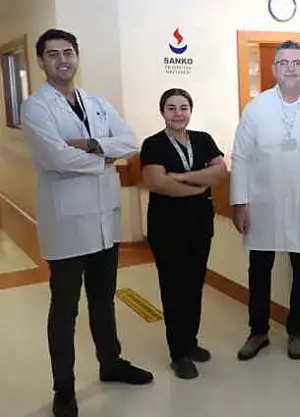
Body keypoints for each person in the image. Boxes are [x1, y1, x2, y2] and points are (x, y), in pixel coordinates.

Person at [22, 29, 153, 417]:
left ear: (77, 57)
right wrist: (105, 159)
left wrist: (93, 145)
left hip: (104, 222)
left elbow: (130, 142)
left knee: (103, 300)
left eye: (68, 52)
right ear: (41, 61)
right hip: (66, 226)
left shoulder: (97, 102)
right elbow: (55, 158)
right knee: (65, 310)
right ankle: (63, 388)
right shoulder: (36, 107)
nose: (62, 60)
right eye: (53, 54)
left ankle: (110, 363)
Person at [230, 40, 300, 361]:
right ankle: (258, 331)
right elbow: (241, 157)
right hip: (263, 203)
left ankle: (296, 332)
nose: (290, 68)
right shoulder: (256, 108)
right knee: (259, 270)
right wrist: (240, 204)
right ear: (274, 69)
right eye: (283, 63)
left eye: (296, 62)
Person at [140, 88, 228, 379]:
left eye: (183, 107)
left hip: (199, 224)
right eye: (171, 108)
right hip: (167, 228)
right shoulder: (153, 144)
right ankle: (178, 354)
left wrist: (181, 176)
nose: (178, 113)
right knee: (173, 288)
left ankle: (190, 342)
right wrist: (199, 187)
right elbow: (157, 183)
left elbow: (220, 173)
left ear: (190, 110)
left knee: (194, 285)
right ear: (162, 112)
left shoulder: (203, 139)